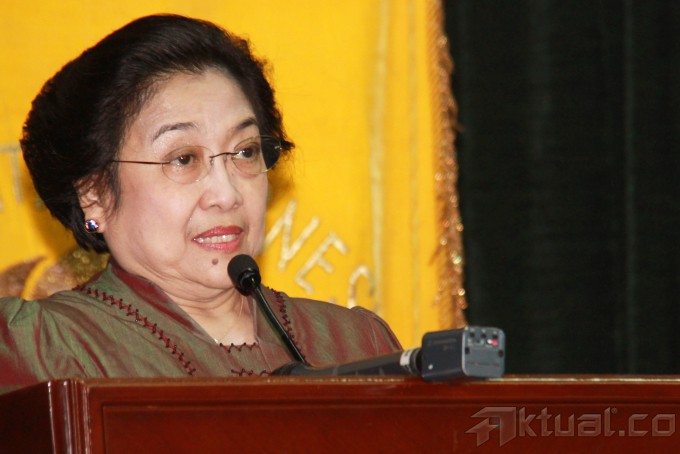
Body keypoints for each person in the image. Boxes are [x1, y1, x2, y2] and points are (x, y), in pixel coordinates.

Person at [0, 14, 401, 392]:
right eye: (183, 159)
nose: (227, 194)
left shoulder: (357, 344)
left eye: (245, 152)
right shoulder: (42, 350)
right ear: (95, 195)